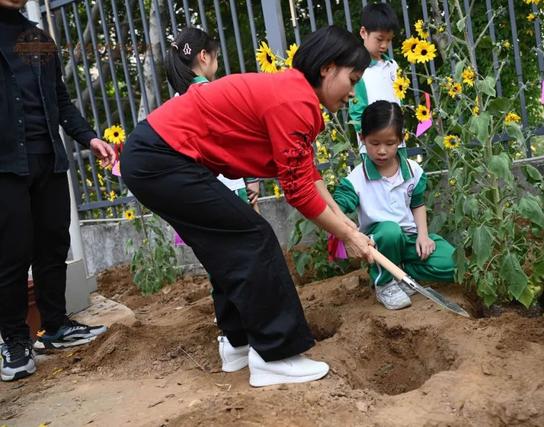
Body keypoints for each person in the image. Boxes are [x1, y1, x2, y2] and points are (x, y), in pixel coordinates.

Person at [121, 26, 373, 387]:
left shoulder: (293, 94)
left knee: (228, 244)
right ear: (327, 68)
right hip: (160, 158)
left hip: (156, 158)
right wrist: (348, 235)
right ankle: (276, 354)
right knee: (253, 238)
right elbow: (298, 192)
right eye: (352, 78)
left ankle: (237, 343)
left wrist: (349, 229)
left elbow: (310, 175)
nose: (354, 91)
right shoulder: (294, 100)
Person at [0, 0, 116, 382]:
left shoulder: (36, 38)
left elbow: (60, 100)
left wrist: (89, 138)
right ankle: (15, 341)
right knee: (12, 255)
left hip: (48, 158)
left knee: (52, 245)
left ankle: (54, 327)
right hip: (5, 166)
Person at [334, 101, 455, 310]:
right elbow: (337, 207)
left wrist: (423, 236)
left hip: (409, 239)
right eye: (374, 143)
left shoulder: (413, 170)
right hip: (381, 243)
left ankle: (401, 272)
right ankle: (384, 283)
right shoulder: (356, 180)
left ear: (401, 139)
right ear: (362, 138)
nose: (382, 151)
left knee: (451, 263)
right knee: (390, 230)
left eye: (390, 143)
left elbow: (417, 204)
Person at [164, 27, 260, 207]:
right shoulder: (216, 94)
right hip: (231, 189)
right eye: (216, 55)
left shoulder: (175, 103)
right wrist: (252, 178)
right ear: (204, 56)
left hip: (196, 196)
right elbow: (238, 138)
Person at [348, 2, 405, 157]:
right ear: (363, 32)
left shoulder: (392, 66)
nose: (384, 45)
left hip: (397, 144)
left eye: (389, 40)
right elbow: (357, 112)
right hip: (373, 149)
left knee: (404, 179)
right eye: (379, 39)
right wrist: (371, 141)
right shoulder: (358, 70)